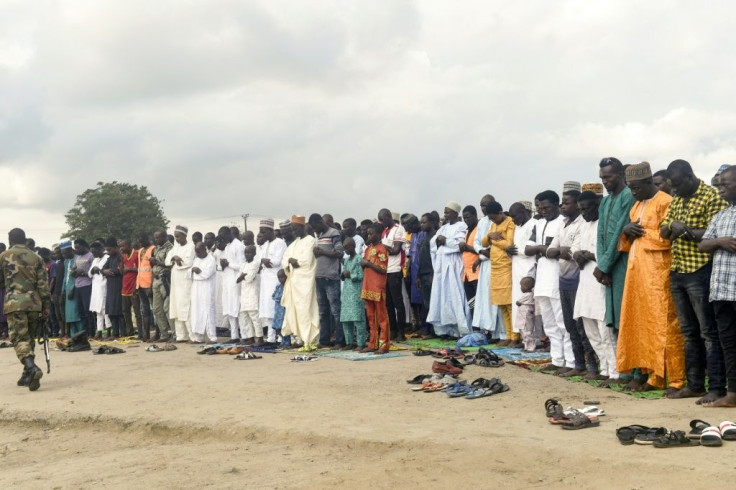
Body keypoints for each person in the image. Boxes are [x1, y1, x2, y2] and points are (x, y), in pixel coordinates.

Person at [661, 159, 728, 403]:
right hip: (678, 270)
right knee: (689, 332)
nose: (674, 190)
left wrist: (684, 229)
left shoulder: (711, 196)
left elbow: (716, 233)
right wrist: (671, 227)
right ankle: (695, 385)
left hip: (700, 270)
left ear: (690, 177)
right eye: (672, 186)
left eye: (677, 185)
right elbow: (663, 228)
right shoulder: (678, 197)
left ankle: (716, 388)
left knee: (708, 332)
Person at [618, 162, 685, 392]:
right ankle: (654, 377)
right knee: (645, 326)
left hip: (660, 275)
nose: (633, 192)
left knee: (666, 328)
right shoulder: (636, 206)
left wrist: (642, 232)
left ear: (648, 182)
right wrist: (626, 231)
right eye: (630, 188)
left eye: (636, 187)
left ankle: (675, 379)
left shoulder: (666, 202)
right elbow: (627, 243)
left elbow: (669, 239)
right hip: (638, 276)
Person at [547, 189, 596, 377]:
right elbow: (551, 251)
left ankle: (591, 366)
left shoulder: (582, 224)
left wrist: (562, 251)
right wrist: (562, 251)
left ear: (577, 204)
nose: (562, 206)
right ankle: (579, 364)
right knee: (570, 326)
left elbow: (574, 253)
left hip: (578, 280)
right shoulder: (563, 224)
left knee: (582, 326)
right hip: (564, 280)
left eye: (566, 203)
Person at [525, 190, 575, 372]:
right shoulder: (538, 224)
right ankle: (557, 360)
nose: (543, 210)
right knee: (550, 325)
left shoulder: (563, 223)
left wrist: (541, 249)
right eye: (540, 207)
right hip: (542, 281)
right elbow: (527, 249)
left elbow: (560, 251)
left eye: (546, 207)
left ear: (556, 205)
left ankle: (570, 362)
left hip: (558, 278)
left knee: (564, 324)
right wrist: (542, 249)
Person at [572, 191, 619, 383]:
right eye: (581, 209)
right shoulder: (583, 225)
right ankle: (605, 368)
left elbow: (611, 251)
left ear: (598, 205)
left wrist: (591, 256)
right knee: (590, 330)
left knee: (605, 331)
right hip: (585, 283)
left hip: (601, 283)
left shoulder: (605, 224)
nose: (584, 212)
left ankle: (615, 371)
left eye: (587, 208)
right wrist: (577, 255)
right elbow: (573, 247)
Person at [699, 165, 736, 407]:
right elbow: (702, 245)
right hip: (722, 290)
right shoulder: (721, 215)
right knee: (729, 343)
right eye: (719, 185)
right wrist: (720, 241)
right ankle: (732, 393)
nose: (720, 189)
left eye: (725, 184)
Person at [0, 228, 50, 391]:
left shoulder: (3, 257)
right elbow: (43, 285)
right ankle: (26, 375)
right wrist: (46, 306)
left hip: (15, 303)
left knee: (18, 338)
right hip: (34, 303)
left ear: (10, 239)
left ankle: (32, 368)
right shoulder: (37, 257)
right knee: (29, 338)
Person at [596, 157, 636, 336]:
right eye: (602, 178)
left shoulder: (629, 196)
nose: (604, 181)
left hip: (623, 262)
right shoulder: (605, 201)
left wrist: (604, 266)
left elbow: (621, 232)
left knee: (626, 317)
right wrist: (602, 265)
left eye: (608, 177)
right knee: (614, 320)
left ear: (620, 175)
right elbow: (601, 236)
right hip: (608, 267)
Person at [428, 201, 470, 338]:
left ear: (455, 213)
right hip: (441, 264)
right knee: (442, 297)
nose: (445, 214)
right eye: (444, 212)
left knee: (455, 296)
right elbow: (433, 244)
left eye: (447, 212)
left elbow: (460, 244)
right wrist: (439, 240)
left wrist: (445, 241)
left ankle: (460, 329)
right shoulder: (443, 228)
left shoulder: (462, 226)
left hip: (454, 265)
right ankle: (446, 330)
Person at [281, 216, 320, 351]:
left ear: (302, 227)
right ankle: (303, 340)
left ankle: (310, 341)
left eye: (295, 228)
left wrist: (294, 261)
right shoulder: (294, 243)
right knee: (297, 311)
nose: (293, 231)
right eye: (292, 229)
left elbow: (306, 261)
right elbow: (285, 258)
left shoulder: (311, 241)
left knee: (307, 310)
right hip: (294, 282)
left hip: (306, 282)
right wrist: (290, 261)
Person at [484, 202, 518, 346]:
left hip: (506, 267)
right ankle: (507, 335)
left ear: (500, 213)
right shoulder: (494, 225)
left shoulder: (510, 223)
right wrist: (490, 236)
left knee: (510, 305)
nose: (493, 221)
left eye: (494, 218)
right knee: (501, 305)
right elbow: (484, 243)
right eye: (490, 219)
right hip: (495, 268)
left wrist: (493, 240)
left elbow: (509, 244)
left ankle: (515, 337)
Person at [308, 214, 345, 348]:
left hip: (331, 277)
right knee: (323, 312)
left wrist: (322, 252)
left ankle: (340, 340)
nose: (314, 230)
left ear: (319, 222)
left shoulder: (333, 233)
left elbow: (339, 253)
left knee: (336, 310)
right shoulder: (319, 236)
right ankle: (325, 340)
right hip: (319, 277)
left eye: (315, 227)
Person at [508, 202, 537, 344]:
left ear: (524, 213)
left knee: (528, 306)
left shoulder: (534, 224)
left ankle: (534, 339)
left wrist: (515, 250)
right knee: (518, 305)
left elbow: (530, 248)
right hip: (517, 269)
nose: (512, 220)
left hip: (528, 270)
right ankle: (522, 337)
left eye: (514, 216)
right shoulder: (517, 227)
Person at [378, 208, 408, 341]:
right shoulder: (384, 231)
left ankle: (402, 332)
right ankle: (393, 330)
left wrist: (383, 247)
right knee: (388, 303)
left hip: (395, 270)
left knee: (398, 303)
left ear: (389, 217)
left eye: (383, 220)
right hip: (385, 270)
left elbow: (396, 250)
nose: (381, 223)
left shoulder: (398, 229)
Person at [472, 195, 500, 336]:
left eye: (486, 205)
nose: (484, 208)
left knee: (495, 297)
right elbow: (477, 242)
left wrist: (484, 253)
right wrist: (481, 253)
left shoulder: (500, 220)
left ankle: (497, 333)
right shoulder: (482, 222)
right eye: (481, 205)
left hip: (497, 264)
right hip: (485, 263)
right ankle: (487, 330)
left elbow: (498, 243)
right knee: (485, 298)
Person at [257, 219, 287, 343]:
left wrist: (266, 261)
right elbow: (260, 260)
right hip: (265, 279)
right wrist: (264, 261)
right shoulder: (265, 245)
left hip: (275, 279)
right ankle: (270, 338)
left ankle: (280, 337)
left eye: (263, 232)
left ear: (270, 231)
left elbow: (276, 261)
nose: (262, 235)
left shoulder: (280, 243)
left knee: (276, 309)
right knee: (268, 310)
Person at [361, 223, 390, 353]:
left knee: (382, 318)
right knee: (371, 318)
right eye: (368, 233)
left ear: (378, 234)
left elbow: (383, 270)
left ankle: (384, 345)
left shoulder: (382, 249)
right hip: (367, 286)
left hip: (378, 287)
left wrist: (368, 263)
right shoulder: (367, 249)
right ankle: (372, 344)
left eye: (371, 233)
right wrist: (363, 264)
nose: (369, 235)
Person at [165, 226, 195, 342]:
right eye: (175, 236)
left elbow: (188, 262)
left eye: (178, 236)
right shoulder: (174, 248)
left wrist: (178, 259)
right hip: (175, 281)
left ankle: (192, 336)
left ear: (184, 236)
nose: (176, 239)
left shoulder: (191, 247)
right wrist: (174, 257)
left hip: (185, 281)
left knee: (185, 308)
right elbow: (167, 261)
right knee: (176, 308)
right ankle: (181, 336)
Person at [218, 226, 244, 342]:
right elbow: (224, 265)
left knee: (237, 308)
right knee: (229, 308)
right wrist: (222, 265)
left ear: (229, 234)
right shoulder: (228, 246)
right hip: (227, 281)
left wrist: (228, 264)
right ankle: (234, 336)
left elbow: (242, 265)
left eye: (223, 238)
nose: (222, 241)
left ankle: (244, 335)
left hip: (236, 281)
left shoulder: (238, 245)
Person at [340, 237, 366, 350]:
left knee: (358, 319)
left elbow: (362, 275)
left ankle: (361, 343)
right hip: (346, 293)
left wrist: (350, 275)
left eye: (347, 247)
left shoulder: (359, 259)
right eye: (344, 248)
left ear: (353, 246)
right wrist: (343, 275)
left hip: (356, 292)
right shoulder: (346, 260)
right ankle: (349, 343)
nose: (345, 250)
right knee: (346, 319)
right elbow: (343, 275)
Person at [189, 242, 217, 343]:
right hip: (196, 287)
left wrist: (199, 271)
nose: (197, 253)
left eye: (199, 251)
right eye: (196, 251)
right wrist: (194, 270)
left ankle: (212, 337)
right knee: (196, 311)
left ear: (204, 249)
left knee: (208, 311)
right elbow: (190, 273)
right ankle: (198, 337)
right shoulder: (196, 259)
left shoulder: (211, 259)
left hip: (206, 288)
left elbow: (207, 274)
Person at [149, 230, 173, 341]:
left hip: (165, 280)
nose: (156, 240)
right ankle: (164, 334)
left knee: (167, 308)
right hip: (156, 279)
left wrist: (157, 262)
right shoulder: (156, 248)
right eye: (155, 238)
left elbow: (170, 264)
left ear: (164, 237)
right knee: (157, 309)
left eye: (158, 237)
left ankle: (175, 333)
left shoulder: (170, 248)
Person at [237, 244, 262, 345]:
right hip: (244, 293)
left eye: (249, 252)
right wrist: (243, 276)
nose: (247, 255)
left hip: (252, 293)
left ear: (254, 253)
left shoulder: (255, 264)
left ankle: (259, 338)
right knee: (245, 316)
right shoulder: (243, 265)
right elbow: (238, 279)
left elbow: (249, 278)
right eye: (245, 253)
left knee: (254, 316)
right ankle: (250, 337)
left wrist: (243, 275)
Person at [417, 213, 437, 338]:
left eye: (424, 222)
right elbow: (421, 258)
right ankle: (427, 329)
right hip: (423, 274)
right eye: (421, 222)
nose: (422, 224)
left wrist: (433, 274)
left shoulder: (435, 237)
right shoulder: (424, 238)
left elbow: (435, 259)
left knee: (432, 304)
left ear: (431, 222)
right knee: (426, 304)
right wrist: (418, 276)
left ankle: (434, 331)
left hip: (431, 274)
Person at [460, 205, 480, 327]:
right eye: (464, 218)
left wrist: (467, 247)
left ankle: (483, 330)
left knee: (479, 302)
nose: (466, 220)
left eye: (468, 217)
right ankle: (475, 328)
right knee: (471, 302)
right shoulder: (467, 231)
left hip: (476, 271)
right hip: (467, 274)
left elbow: (482, 250)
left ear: (475, 215)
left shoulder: (479, 229)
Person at [60, 240, 84, 339]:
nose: (63, 255)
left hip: (74, 289)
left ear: (70, 250)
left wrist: (72, 289)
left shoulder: (77, 259)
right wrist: (63, 290)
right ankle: (74, 335)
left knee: (76, 313)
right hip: (66, 289)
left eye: (64, 253)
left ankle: (81, 334)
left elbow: (77, 277)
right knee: (69, 315)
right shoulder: (66, 261)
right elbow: (65, 276)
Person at [102, 237, 125, 338]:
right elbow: (102, 269)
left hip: (118, 285)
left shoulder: (120, 257)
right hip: (110, 286)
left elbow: (120, 270)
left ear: (116, 248)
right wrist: (105, 271)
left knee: (119, 311)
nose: (107, 252)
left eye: (109, 250)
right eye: (107, 250)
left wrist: (109, 271)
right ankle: (115, 333)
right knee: (111, 311)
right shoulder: (109, 258)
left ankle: (123, 333)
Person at [72, 239, 94, 337]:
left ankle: (91, 332)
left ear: (84, 246)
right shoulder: (77, 257)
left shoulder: (91, 256)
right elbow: (73, 269)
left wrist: (83, 272)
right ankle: (85, 331)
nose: (76, 250)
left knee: (87, 310)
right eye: (75, 248)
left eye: (78, 247)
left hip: (87, 285)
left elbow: (93, 272)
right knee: (80, 310)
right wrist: (73, 272)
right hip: (78, 285)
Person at [88, 242, 111, 339]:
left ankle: (109, 331)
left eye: (94, 252)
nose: (93, 254)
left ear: (100, 249)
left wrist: (99, 270)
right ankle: (100, 331)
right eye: (92, 252)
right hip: (96, 288)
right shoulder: (95, 260)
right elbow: (89, 273)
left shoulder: (107, 258)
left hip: (104, 286)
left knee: (105, 309)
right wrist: (93, 271)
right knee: (98, 311)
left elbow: (106, 271)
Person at [119, 238, 141, 338]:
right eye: (120, 246)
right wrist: (121, 263)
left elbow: (141, 270)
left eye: (123, 246)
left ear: (129, 245)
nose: (121, 248)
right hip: (124, 288)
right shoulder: (123, 256)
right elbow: (122, 272)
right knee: (125, 311)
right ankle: (130, 332)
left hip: (133, 287)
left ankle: (141, 332)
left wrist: (130, 269)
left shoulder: (136, 254)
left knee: (137, 312)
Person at [136, 233, 155, 341]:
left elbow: (154, 269)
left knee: (155, 310)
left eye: (142, 240)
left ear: (147, 238)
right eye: (140, 241)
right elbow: (140, 268)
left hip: (149, 285)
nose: (141, 243)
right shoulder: (141, 250)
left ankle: (157, 334)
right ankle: (146, 334)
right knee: (144, 310)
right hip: (141, 284)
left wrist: (152, 286)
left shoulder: (153, 249)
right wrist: (137, 285)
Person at [516, 277, 536, 351]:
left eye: (521, 286)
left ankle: (530, 347)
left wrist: (518, 302)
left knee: (528, 332)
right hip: (523, 316)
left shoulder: (529, 295)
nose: (521, 288)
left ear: (526, 287)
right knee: (524, 331)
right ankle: (526, 346)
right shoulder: (528, 294)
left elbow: (518, 302)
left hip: (526, 316)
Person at [272, 269, 288, 347]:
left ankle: (287, 342)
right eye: (279, 277)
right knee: (278, 328)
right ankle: (283, 342)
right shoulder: (278, 287)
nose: (281, 279)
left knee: (284, 327)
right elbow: (275, 297)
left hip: (284, 311)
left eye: (283, 277)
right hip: (278, 310)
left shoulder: (288, 287)